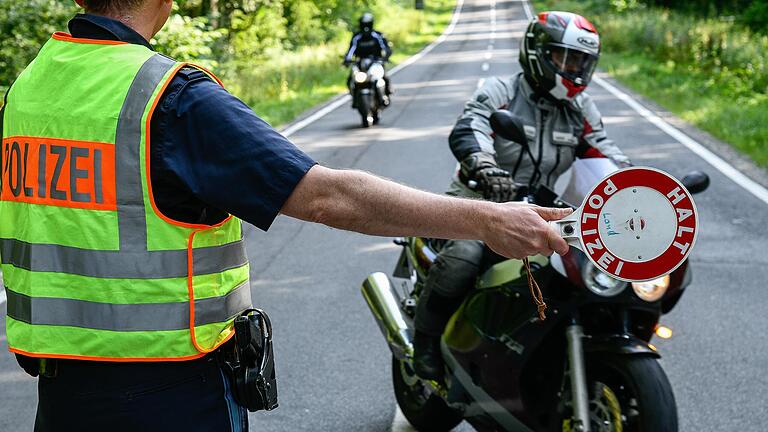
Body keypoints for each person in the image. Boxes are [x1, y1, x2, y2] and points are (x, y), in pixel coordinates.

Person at [0, 0, 571, 430]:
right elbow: (328, 196)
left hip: (60, 396)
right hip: (171, 393)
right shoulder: (168, 98)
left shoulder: (29, 86)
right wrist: (489, 221)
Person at [412, 11, 632, 381]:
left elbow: (605, 154)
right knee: (465, 257)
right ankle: (426, 343)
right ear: (538, 53)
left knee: (575, 270)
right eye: (567, 58)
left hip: (540, 208)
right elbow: (471, 125)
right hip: (478, 202)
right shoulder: (503, 90)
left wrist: (638, 190)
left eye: (582, 61)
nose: (575, 69)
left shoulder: (581, 109)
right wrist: (484, 166)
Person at [344, 12, 393, 103]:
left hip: (376, 62)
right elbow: (351, 50)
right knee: (350, 79)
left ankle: (387, 92)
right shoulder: (357, 37)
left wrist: (386, 56)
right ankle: (354, 98)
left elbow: (385, 48)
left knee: (383, 76)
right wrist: (347, 59)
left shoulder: (377, 35)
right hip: (360, 64)